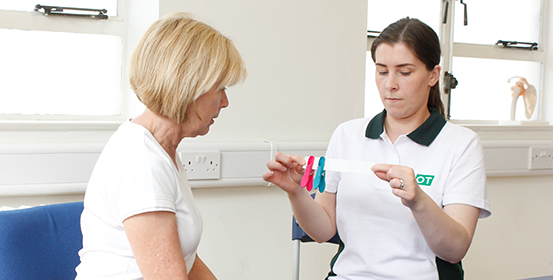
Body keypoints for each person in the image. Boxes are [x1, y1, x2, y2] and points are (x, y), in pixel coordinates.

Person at [264, 17, 490, 280]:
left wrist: (418, 201)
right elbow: (324, 230)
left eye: (404, 72)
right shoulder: (348, 135)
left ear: (433, 75)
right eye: (382, 71)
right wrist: (296, 192)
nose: (390, 84)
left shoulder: (462, 144)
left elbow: (455, 250)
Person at [76, 12, 247, 280]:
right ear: (189, 86)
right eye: (220, 88)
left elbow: (188, 260)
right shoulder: (141, 162)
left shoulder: (161, 148)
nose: (224, 102)